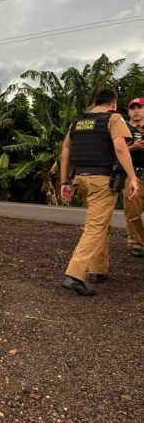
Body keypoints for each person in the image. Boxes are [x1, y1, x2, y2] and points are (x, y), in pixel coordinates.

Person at [59, 89, 138, 296]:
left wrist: (64, 182)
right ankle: (74, 275)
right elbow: (121, 149)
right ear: (113, 103)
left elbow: (65, 152)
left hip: (80, 180)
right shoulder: (114, 118)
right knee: (95, 227)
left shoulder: (77, 122)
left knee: (101, 223)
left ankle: (98, 270)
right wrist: (133, 177)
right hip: (102, 181)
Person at [123, 97, 144, 257]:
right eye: (132, 108)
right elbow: (116, 151)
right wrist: (132, 147)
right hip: (133, 176)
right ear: (128, 111)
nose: (136, 110)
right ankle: (136, 243)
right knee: (133, 212)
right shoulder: (123, 129)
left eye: (139, 107)